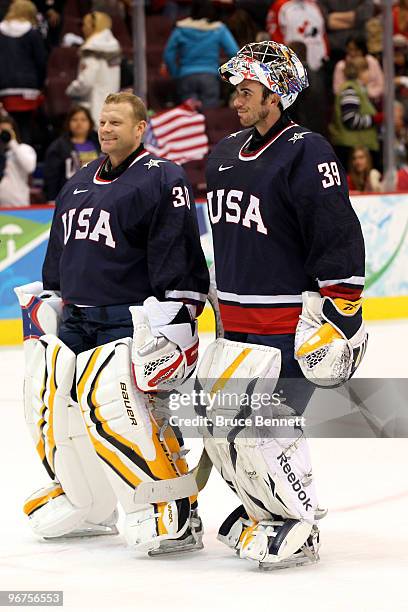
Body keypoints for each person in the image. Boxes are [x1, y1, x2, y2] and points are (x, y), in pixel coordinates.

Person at [15, 92, 209, 554]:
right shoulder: (79, 181)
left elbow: (175, 251)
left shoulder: (162, 178)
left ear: (140, 128)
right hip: (78, 320)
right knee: (64, 415)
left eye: (116, 122)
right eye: (102, 121)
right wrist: (52, 297)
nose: (105, 129)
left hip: (128, 318)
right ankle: (93, 503)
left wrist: (176, 316)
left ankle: (179, 509)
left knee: (139, 414)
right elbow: (60, 251)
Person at [202, 41, 367, 569]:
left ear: (277, 95)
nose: (236, 99)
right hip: (233, 326)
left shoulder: (307, 150)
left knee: (267, 429)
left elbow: (336, 235)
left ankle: (297, 521)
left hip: (284, 324)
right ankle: (260, 508)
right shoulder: (225, 153)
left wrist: (342, 314)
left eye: (246, 90)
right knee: (221, 430)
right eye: (235, 89)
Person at [163, 0, 239, 108]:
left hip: (186, 77)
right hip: (210, 77)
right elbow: (234, 53)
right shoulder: (219, 29)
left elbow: (168, 54)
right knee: (210, 117)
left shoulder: (181, 28)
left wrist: (176, 73)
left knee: (189, 117)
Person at [0, 0, 47, 143]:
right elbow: (41, 62)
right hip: (28, 88)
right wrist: (40, 85)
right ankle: (27, 161)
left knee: (7, 126)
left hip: (4, 88)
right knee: (25, 126)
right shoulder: (33, 33)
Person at [66, 11, 121, 123]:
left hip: (92, 111)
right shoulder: (113, 47)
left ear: (93, 26)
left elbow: (86, 82)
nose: (83, 28)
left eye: (85, 24)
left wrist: (71, 90)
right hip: (110, 110)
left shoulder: (91, 50)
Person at [329, 56, 381, 170]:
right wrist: (375, 119)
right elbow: (350, 120)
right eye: (367, 70)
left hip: (356, 145)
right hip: (350, 149)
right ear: (359, 73)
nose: (370, 74)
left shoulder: (359, 89)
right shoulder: (350, 90)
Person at [43, 105, 100, 202]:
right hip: (69, 198)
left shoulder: (100, 144)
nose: (79, 123)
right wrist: (52, 199)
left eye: (83, 120)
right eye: (74, 119)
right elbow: (51, 177)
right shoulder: (58, 147)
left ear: (90, 123)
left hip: (97, 196)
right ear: (68, 123)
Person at [332, 34, 384, 104]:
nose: (353, 53)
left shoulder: (372, 61)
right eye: (350, 49)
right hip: (350, 102)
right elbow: (337, 90)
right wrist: (356, 94)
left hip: (373, 102)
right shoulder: (341, 66)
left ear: (362, 49)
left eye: (356, 50)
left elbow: (381, 85)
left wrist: (366, 93)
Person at [0, 115, 36, 207]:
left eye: (6, 131)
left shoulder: (23, 149)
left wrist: (12, 142)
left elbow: (29, 167)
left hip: (19, 206)